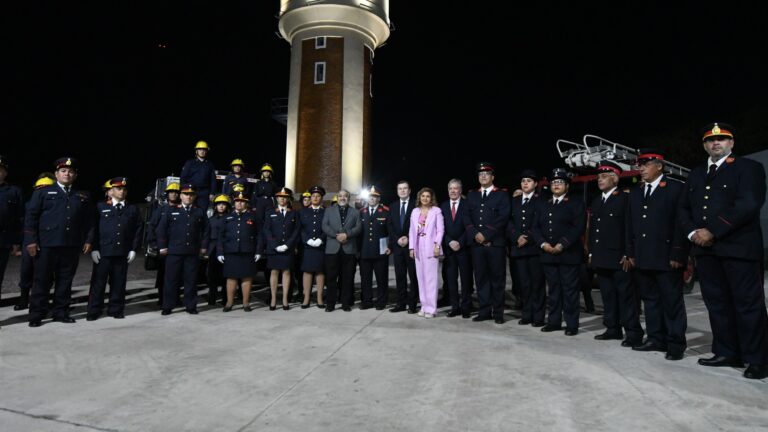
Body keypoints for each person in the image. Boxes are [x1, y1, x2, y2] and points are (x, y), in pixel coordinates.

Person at [678, 123, 768, 379]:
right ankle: (727, 352)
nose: (716, 143)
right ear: (705, 145)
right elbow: (683, 209)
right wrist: (693, 233)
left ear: (732, 143)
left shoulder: (748, 168)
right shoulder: (696, 174)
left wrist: (712, 231)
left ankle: (758, 359)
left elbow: (748, 203)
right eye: (710, 140)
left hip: (738, 249)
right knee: (717, 305)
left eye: (722, 139)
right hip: (706, 252)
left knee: (747, 305)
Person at [626, 149, 689, 361]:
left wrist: (679, 253)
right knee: (650, 301)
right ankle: (655, 338)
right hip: (643, 257)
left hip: (666, 257)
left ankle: (675, 343)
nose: (641, 169)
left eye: (645, 164)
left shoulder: (675, 188)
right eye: (639, 165)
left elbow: (681, 224)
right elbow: (631, 226)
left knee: (672, 302)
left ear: (659, 166)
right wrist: (631, 253)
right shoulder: (636, 192)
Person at [24, 157, 93, 327]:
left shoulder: (82, 196)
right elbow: (31, 217)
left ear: (75, 175)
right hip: (46, 245)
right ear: (56, 174)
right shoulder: (43, 192)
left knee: (65, 280)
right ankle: (37, 314)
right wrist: (31, 241)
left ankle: (60, 312)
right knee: (42, 280)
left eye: (70, 171)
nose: (67, 174)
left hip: (71, 245)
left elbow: (89, 221)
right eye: (63, 171)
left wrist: (89, 240)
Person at [588, 161, 644, 346]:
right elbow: (593, 229)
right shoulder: (597, 201)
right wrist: (591, 253)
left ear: (615, 178)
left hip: (620, 257)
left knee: (627, 297)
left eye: (604, 177)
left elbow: (630, 227)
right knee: (608, 296)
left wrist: (629, 252)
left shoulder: (624, 199)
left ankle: (633, 333)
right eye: (598, 177)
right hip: (602, 256)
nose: (600, 180)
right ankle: (612, 329)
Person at [533, 168, 586, 335]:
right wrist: (543, 244)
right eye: (554, 182)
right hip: (548, 254)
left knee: (570, 291)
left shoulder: (575, 203)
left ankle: (571, 325)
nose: (556, 185)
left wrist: (562, 245)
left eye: (560, 182)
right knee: (554, 291)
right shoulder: (543, 203)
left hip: (568, 254)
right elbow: (535, 227)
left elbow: (578, 227)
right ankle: (554, 321)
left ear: (567, 186)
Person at [86, 177, 143, 320]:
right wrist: (94, 248)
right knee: (98, 283)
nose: (122, 191)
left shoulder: (132, 208)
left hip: (122, 252)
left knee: (119, 283)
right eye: (119, 189)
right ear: (111, 191)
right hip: (103, 252)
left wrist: (133, 249)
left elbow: (138, 229)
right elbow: (94, 229)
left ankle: (115, 309)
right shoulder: (100, 207)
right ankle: (94, 310)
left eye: (124, 189)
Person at [466, 162, 510, 324]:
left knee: (497, 280)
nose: (483, 176)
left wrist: (486, 234)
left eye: (486, 174)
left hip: (495, 244)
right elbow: (466, 218)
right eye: (480, 174)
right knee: (481, 279)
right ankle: (484, 311)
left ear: (493, 177)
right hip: (477, 245)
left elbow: (503, 217)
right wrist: (475, 234)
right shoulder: (472, 195)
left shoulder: (502, 195)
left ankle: (498, 313)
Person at [157, 184, 209, 315]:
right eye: (186, 194)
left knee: (191, 280)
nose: (188, 196)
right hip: (174, 251)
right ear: (181, 196)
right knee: (171, 280)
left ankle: (190, 305)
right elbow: (161, 229)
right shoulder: (171, 210)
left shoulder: (199, 211)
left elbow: (206, 230)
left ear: (195, 196)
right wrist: (162, 247)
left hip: (192, 251)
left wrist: (203, 246)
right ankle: (167, 305)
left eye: (191, 194)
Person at [507, 169, 546, 327]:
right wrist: (517, 237)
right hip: (519, 248)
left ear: (535, 184)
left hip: (534, 248)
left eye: (529, 181)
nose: (525, 184)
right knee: (524, 284)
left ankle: (538, 316)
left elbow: (541, 223)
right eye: (523, 181)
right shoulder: (514, 201)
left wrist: (528, 237)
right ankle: (527, 314)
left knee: (537, 283)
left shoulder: (541, 201)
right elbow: (508, 222)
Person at [15, 174, 55, 311]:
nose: (42, 190)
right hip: (29, 242)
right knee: (26, 271)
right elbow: (22, 225)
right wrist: (19, 245)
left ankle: (42, 300)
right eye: (39, 188)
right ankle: (23, 299)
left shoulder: (56, 206)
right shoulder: (28, 204)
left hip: (47, 242)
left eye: (46, 187)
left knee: (47, 274)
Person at [217, 191, 260, 312]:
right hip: (231, 251)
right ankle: (229, 303)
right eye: (237, 202)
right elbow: (221, 236)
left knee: (246, 278)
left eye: (242, 202)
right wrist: (220, 252)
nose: (239, 204)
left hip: (247, 251)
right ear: (234, 203)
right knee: (231, 278)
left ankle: (246, 303)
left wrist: (258, 251)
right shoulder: (227, 217)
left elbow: (259, 235)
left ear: (246, 203)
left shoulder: (253, 217)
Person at [322, 189, 361, 312]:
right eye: (340, 196)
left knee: (347, 278)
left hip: (348, 249)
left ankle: (345, 303)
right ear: (337, 198)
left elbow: (359, 227)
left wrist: (346, 235)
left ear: (348, 198)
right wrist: (337, 235)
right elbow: (325, 226)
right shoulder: (328, 211)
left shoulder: (355, 212)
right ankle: (330, 304)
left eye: (345, 196)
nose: (342, 198)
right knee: (331, 278)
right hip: (332, 249)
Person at [440, 179, 474, 318]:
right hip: (449, 249)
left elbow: (470, 226)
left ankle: (466, 307)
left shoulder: (468, 205)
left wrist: (460, 241)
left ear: (460, 190)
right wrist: (449, 241)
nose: (453, 191)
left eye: (456, 188)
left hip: (464, 248)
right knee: (451, 279)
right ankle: (455, 307)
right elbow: (440, 228)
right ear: (448, 190)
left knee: (466, 279)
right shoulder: (442, 206)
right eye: (451, 189)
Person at [261, 187, 299, 310]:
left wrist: (287, 245)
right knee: (274, 272)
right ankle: (273, 298)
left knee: (287, 272)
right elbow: (266, 230)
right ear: (277, 199)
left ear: (288, 199)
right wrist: (275, 245)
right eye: (280, 197)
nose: (282, 199)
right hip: (274, 248)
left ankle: (284, 299)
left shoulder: (293, 213)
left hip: (287, 247)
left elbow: (296, 231)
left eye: (285, 197)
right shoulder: (270, 212)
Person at [409, 187, 444, 318]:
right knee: (421, 279)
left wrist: (437, 245)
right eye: (423, 196)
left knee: (430, 280)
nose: (425, 198)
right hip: (418, 247)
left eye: (428, 196)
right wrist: (411, 248)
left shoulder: (436, 211)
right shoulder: (415, 211)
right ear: (419, 197)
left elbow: (440, 230)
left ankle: (432, 308)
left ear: (431, 198)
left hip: (431, 247)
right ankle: (424, 306)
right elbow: (411, 231)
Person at [146, 182, 182, 305]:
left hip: (178, 247)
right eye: (171, 192)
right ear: (167, 194)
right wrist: (153, 243)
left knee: (178, 274)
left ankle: (176, 298)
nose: (174, 194)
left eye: (176, 192)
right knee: (163, 274)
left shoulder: (182, 209)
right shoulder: (161, 209)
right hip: (164, 248)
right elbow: (152, 226)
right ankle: (162, 298)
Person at [388, 180, 419, 313]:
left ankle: (412, 304)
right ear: (397, 191)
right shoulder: (393, 206)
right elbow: (390, 225)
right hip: (398, 246)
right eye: (400, 189)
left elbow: (418, 225)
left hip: (411, 246)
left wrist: (408, 238)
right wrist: (396, 239)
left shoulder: (416, 205)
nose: (402, 191)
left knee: (413, 276)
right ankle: (400, 303)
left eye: (405, 188)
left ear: (410, 190)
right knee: (400, 276)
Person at [359, 186, 391, 310]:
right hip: (364, 250)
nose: (372, 199)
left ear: (379, 199)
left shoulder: (385, 211)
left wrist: (390, 246)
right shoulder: (362, 212)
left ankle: (381, 301)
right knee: (365, 278)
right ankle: (367, 301)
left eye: (375, 197)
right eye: (370, 197)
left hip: (381, 251)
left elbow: (390, 231)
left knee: (381, 278)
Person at [0, 155, 23, 305]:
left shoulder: (13, 191)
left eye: (0, 170)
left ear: (5, 173)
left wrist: (16, 243)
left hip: (3, 241)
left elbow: (19, 218)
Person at [299, 186, 327, 308]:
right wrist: (307, 240)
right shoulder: (303, 212)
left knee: (320, 271)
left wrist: (321, 239)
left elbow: (328, 227)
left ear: (321, 198)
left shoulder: (326, 211)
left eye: (318, 196)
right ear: (310, 198)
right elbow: (300, 229)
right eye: (313, 196)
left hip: (321, 246)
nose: (315, 198)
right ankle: (306, 298)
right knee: (307, 271)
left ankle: (320, 298)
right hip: (307, 246)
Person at [207, 194, 231, 305]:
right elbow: (206, 235)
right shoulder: (211, 220)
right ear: (215, 206)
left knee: (225, 275)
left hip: (226, 249)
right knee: (212, 276)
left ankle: (225, 298)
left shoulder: (231, 219)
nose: (221, 206)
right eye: (219, 204)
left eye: (224, 204)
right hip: (212, 249)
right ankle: (212, 297)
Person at [180, 140, 216, 211]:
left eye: (204, 150)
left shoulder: (210, 164)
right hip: (190, 191)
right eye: (200, 149)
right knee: (188, 211)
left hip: (204, 193)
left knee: (202, 212)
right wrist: (183, 191)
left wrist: (212, 193)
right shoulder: (190, 163)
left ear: (206, 151)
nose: (202, 151)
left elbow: (213, 180)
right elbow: (183, 177)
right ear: (196, 151)